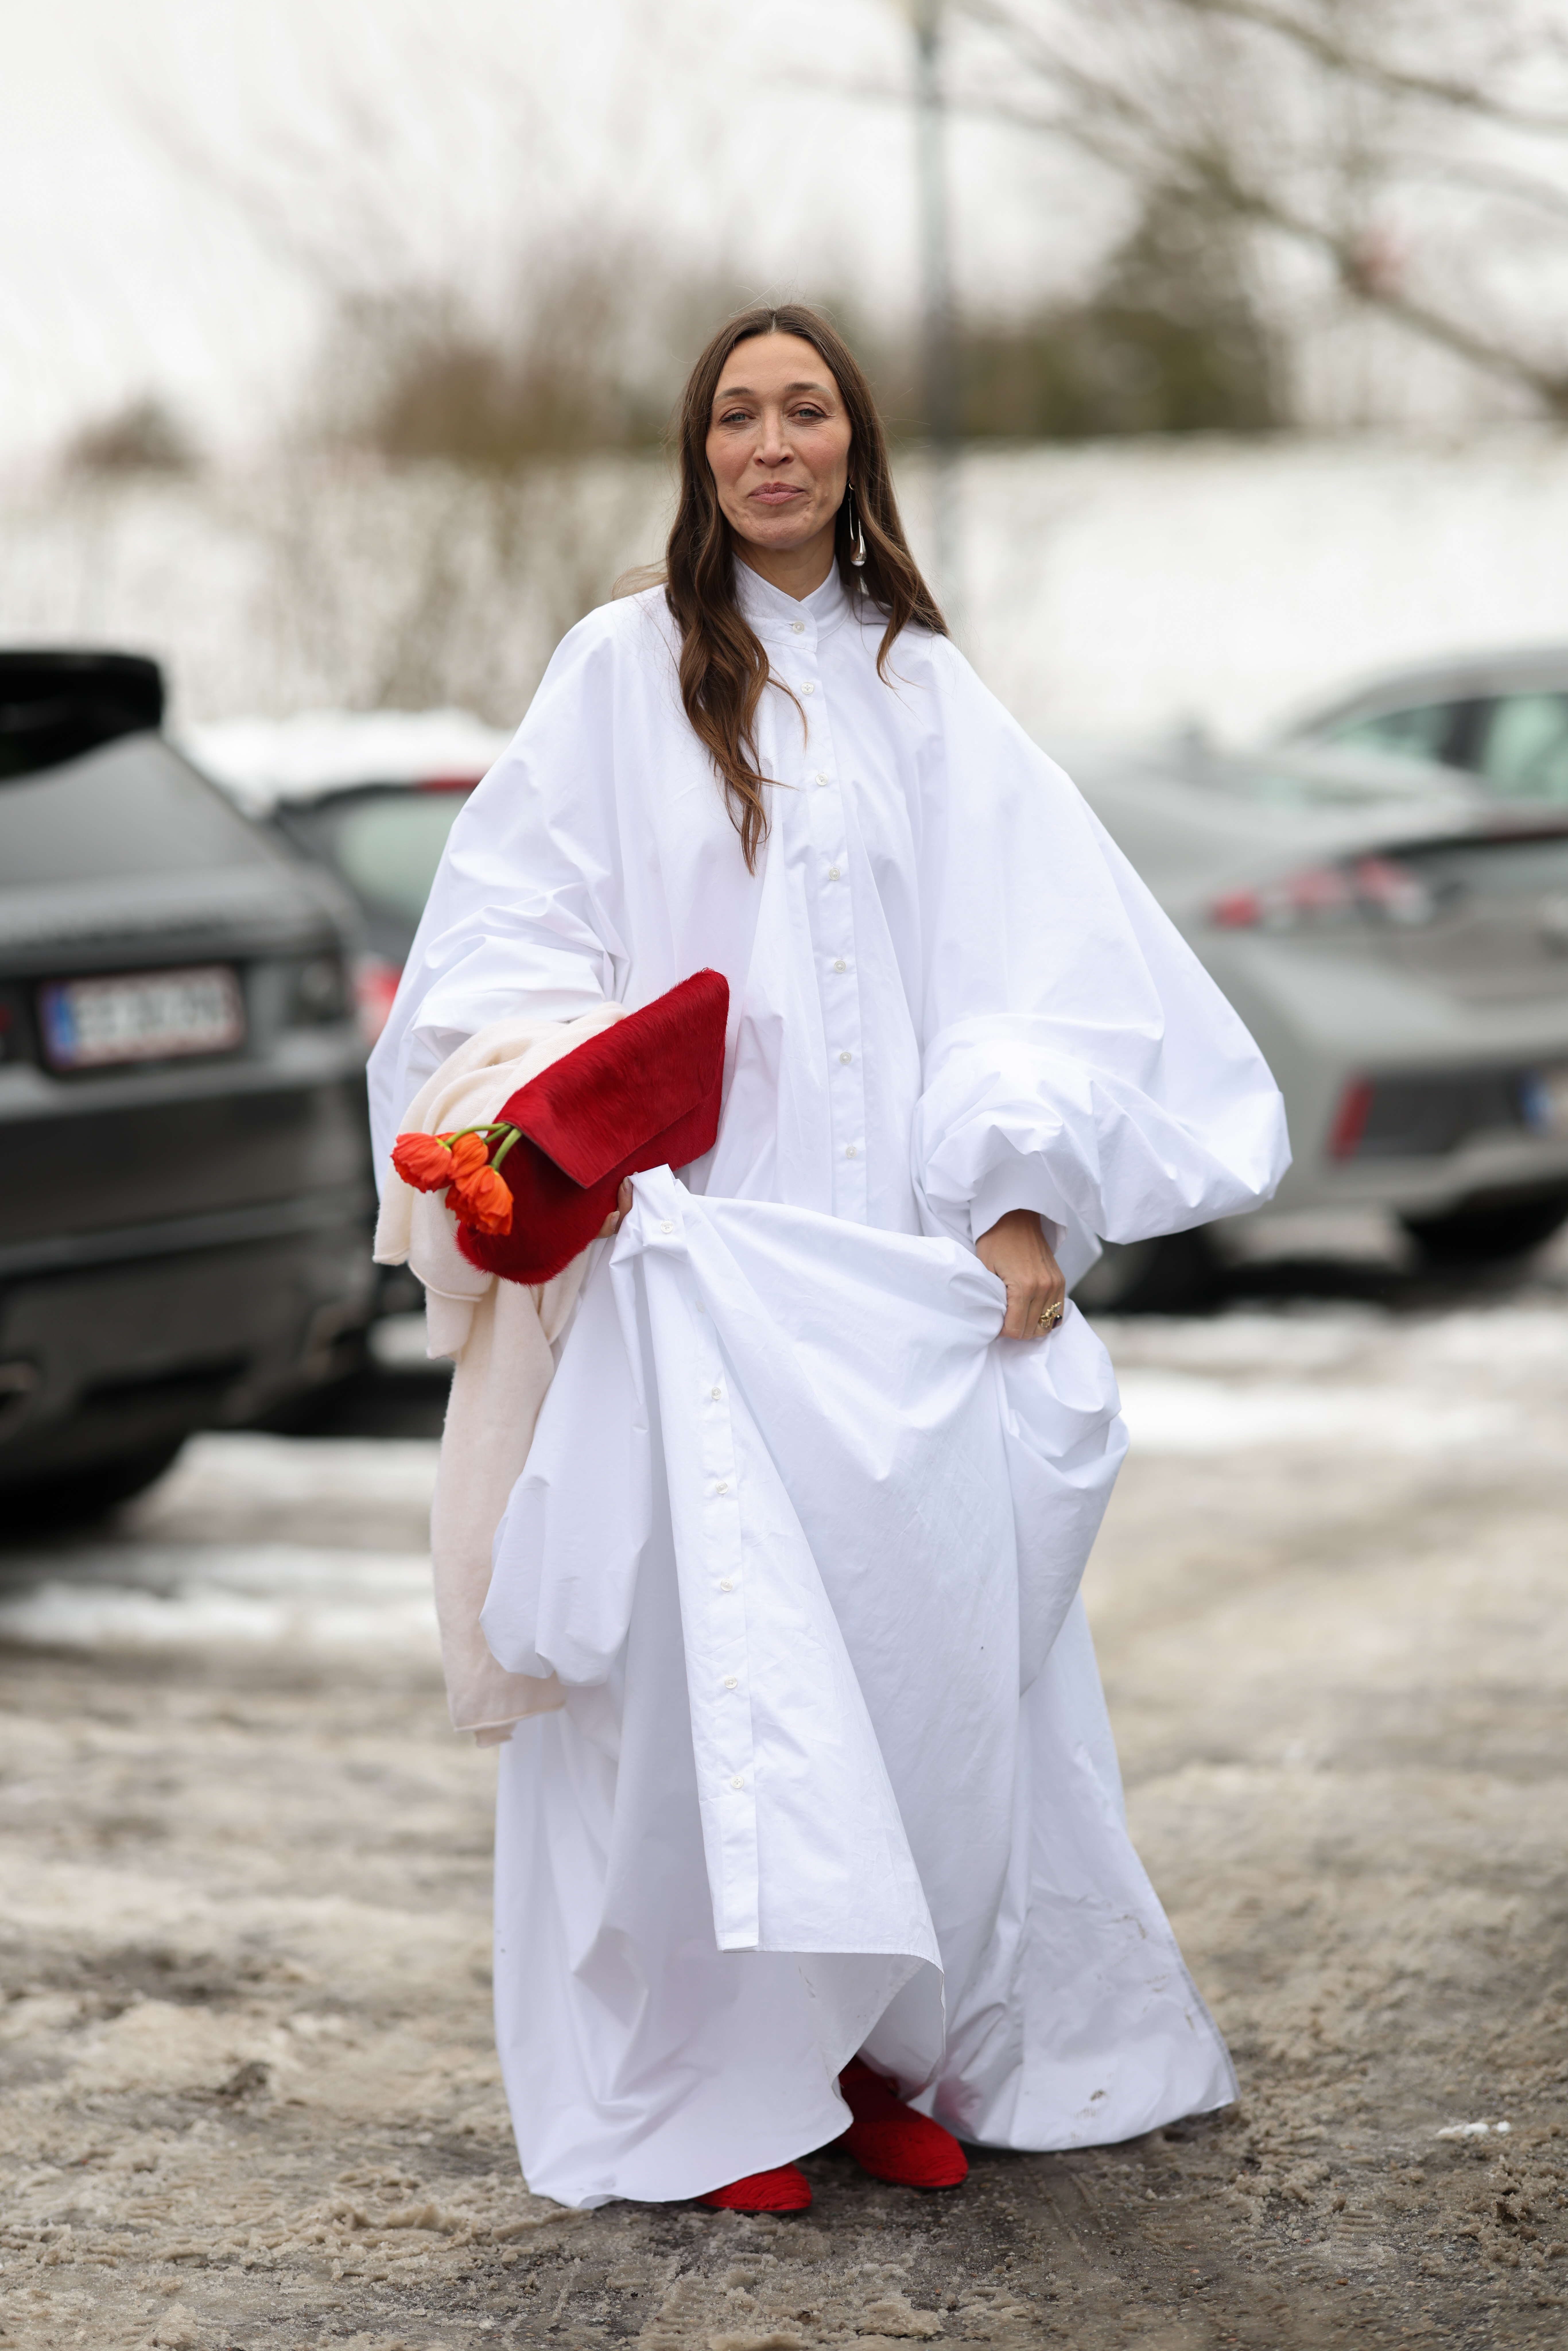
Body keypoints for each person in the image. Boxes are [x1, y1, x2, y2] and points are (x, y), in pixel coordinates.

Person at [368, 302, 1289, 2214]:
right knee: (698, 1683)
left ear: (855, 444)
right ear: (697, 454)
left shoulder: (921, 686)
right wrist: (565, 1116)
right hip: (691, 1270)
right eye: (733, 414)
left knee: (905, 1668)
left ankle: (872, 2049)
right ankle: (707, 2088)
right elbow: (508, 937)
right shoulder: (620, 671)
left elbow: (1035, 957)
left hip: (882, 1280)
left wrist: (1017, 1190)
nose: (770, 443)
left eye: (804, 410)